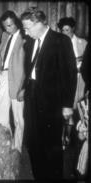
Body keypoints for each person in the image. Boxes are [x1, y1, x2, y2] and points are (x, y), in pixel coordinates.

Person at [21, 7, 77, 179]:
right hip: (32, 98)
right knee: (33, 142)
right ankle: (39, 176)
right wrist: (25, 87)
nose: (25, 31)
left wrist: (67, 104)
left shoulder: (61, 41)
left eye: (28, 27)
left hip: (52, 101)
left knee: (51, 145)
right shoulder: (30, 42)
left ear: (39, 23)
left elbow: (70, 74)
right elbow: (31, 69)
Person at [0, 10, 26, 153]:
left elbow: (28, 64)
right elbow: (1, 54)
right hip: (4, 77)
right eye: (5, 26)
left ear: (17, 23)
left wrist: (24, 86)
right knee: (0, 113)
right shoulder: (5, 35)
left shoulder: (26, 37)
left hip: (18, 79)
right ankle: (5, 144)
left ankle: (17, 149)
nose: (7, 29)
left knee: (18, 118)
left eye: (10, 25)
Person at [57, 17, 88, 147]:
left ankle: (78, 140)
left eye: (67, 30)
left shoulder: (83, 43)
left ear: (73, 29)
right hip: (67, 80)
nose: (65, 33)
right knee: (67, 108)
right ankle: (66, 139)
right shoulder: (59, 44)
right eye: (63, 30)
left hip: (81, 80)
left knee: (79, 109)